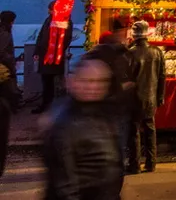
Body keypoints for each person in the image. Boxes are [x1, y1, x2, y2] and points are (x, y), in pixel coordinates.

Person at [42, 58, 123, 199]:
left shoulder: (105, 113)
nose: (94, 87)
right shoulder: (65, 123)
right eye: (86, 80)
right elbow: (64, 186)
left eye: (101, 81)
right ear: (70, 82)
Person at [83, 19, 134, 173]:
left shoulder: (91, 57)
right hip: (117, 109)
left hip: (99, 110)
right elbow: (127, 84)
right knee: (116, 146)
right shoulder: (123, 56)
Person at [127, 21, 165, 174]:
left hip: (134, 98)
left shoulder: (129, 53)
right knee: (150, 129)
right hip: (151, 97)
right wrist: (160, 96)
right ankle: (151, 163)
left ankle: (134, 164)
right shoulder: (157, 52)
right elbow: (162, 76)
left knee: (134, 131)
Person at [33, 1, 73, 114]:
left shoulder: (64, 20)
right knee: (47, 81)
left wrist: (57, 51)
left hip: (54, 57)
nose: (49, 11)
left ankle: (52, 106)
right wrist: (37, 51)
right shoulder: (49, 19)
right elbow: (41, 36)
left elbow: (66, 39)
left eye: (50, 9)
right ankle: (47, 104)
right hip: (45, 55)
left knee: (54, 82)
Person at [0, 11, 20, 178]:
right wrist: (10, 63)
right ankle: (15, 107)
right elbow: (3, 52)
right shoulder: (5, 33)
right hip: (5, 70)